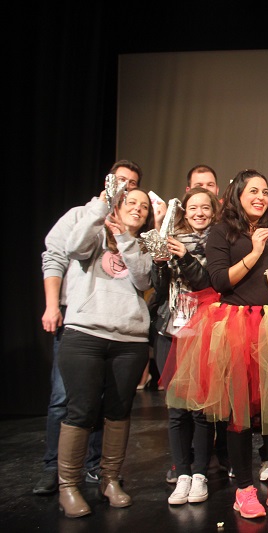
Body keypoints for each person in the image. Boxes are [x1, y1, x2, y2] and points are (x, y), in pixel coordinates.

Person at [165, 168, 268, 519]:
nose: (260, 197)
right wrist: (254, 252)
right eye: (252, 191)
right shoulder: (222, 231)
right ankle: (244, 490)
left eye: (264, 192)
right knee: (238, 414)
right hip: (236, 326)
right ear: (238, 196)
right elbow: (220, 281)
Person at [34, 160, 142, 496]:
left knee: (112, 405)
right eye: (120, 181)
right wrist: (53, 305)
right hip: (80, 321)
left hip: (123, 329)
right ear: (108, 182)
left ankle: (99, 469)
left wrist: (125, 234)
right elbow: (58, 255)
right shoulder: (82, 216)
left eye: (132, 183)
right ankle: (57, 471)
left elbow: (144, 278)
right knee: (66, 400)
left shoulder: (136, 231)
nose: (125, 187)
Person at [57, 186, 155, 517]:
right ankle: (68, 487)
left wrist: (126, 237)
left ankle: (110, 479)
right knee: (81, 410)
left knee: (119, 410)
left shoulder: (146, 244)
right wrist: (101, 209)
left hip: (130, 340)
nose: (138, 208)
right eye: (131, 202)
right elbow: (73, 247)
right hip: (85, 333)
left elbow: (143, 280)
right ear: (116, 205)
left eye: (144, 206)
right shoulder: (95, 232)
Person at [151, 187, 220, 505]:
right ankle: (182, 473)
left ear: (213, 211)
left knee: (202, 409)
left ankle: (201, 474)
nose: (199, 213)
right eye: (193, 207)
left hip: (206, 328)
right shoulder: (171, 238)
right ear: (184, 212)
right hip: (173, 329)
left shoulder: (219, 242)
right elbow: (158, 287)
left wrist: (185, 256)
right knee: (177, 408)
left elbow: (208, 283)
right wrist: (160, 263)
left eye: (205, 207)